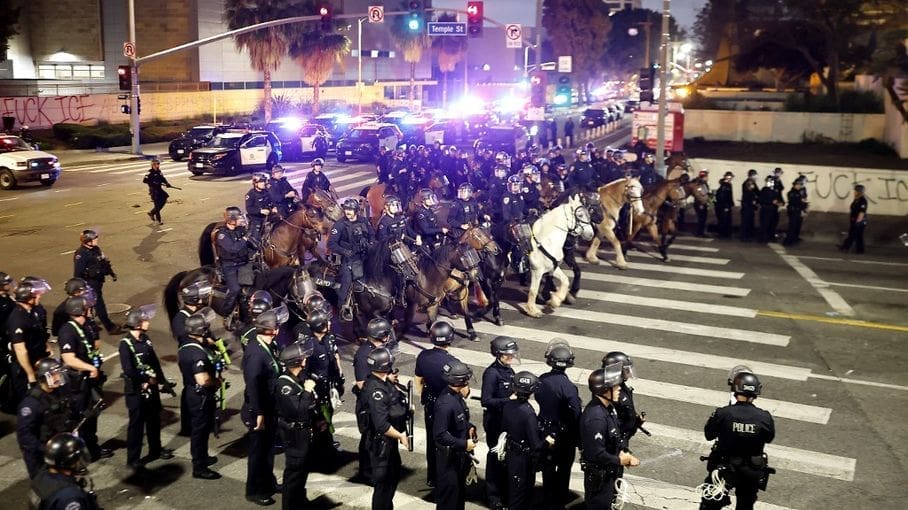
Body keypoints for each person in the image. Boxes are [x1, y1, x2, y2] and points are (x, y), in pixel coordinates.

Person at [699, 373, 775, 510]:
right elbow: (769, 438)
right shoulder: (765, 417)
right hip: (751, 470)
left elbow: (709, 435)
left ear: (735, 389)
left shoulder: (722, 413)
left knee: (710, 504)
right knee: (746, 505)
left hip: (723, 468)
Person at [119, 306, 175, 470]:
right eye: (145, 320)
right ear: (137, 324)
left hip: (151, 387)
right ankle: (133, 458)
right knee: (136, 425)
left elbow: (154, 361)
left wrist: (161, 380)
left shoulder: (145, 339)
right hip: (136, 391)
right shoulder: (126, 344)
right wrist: (146, 379)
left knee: (153, 420)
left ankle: (156, 449)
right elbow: (128, 370)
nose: (148, 322)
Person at [58, 295, 112, 462]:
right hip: (77, 382)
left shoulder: (84, 326)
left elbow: (92, 347)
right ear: (80, 311)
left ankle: (92, 447)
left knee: (92, 414)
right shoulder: (67, 331)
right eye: (87, 308)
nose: (90, 310)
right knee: (79, 418)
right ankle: (79, 452)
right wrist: (89, 367)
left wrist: (95, 360)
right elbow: (68, 359)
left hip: (89, 379)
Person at [579, 365, 640, 509]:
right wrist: (619, 460)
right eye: (615, 386)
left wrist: (624, 453)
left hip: (608, 474)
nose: (619, 389)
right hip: (599, 478)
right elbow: (596, 453)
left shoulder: (609, 408)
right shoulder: (596, 418)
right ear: (604, 390)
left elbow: (614, 437)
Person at [243, 309, 285, 505]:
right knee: (258, 452)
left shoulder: (267, 346)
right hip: (259, 409)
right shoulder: (255, 353)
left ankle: (268, 482)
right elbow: (252, 385)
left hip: (269, 406)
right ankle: (254, 490)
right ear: (272, 330)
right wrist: (258, 412)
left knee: (267, 450)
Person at [362, 347, 410, 510]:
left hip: (387, 443)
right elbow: (381, 425)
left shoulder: (381, 382)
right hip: (381, 445)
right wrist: (401, 436)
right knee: (383, 486)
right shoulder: (377, 391)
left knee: (392, 478)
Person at [536, 341, 582, 510]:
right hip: (564, 435)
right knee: (563, 469)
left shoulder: (542, 379)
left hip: (544, 429)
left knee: (547, 468)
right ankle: (559, 502)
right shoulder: (569, 387)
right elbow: (576, 413)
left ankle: (547, 499)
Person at [177, 309, 221, 480]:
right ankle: (199, 467)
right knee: (200, 431)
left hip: (193, 392)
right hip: (200, 395)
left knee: (202, 430)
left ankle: (202, 457)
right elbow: (203, 379)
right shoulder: (197, 353)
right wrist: (216, 382)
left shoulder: (186, 344)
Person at [415, 321, 460, 488]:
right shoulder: (454, 362)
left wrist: (426, 397)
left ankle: (432, 477)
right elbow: (464, 392)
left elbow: (418, 381)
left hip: (430, 404)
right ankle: (445, 478)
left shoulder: (423, 356)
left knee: (431, 441)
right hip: (447, 407)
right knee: (448, 442)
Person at [275, 340, 317, 510]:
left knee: (302, 472)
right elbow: (298, 411)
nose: (305, 360)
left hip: (303, 432)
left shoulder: (298, 377)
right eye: (302, 358)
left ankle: (299, 502)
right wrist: (307, 391)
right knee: (294, 473)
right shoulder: (284, 385)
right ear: (297, 362)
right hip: (294, 435)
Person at [17, 358, 76, 478]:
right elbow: (25, 436)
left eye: (59, 374)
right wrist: (45, 449)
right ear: (44, 377)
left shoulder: (59, 392)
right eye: (54, 375)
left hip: (58, 448)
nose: (58, 377)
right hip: (41, 455)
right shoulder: (31, 404)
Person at [353, 318, 394, 483]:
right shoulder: (364, 354)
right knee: (370, 439)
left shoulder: (378, 350)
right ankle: (368, 472)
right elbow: (362, 384)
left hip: (378, 401)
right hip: (368, 405)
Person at [433, 359, 476, 510]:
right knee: (449, 500)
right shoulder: (446, 404)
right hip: (449, 459)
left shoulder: (456, 396)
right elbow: (440, 435)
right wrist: (465, 444)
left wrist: (469, 427)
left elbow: (460, 420)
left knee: (458, 497)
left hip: (458, 457)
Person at [481, 336, 519, 510]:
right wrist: (508, 400)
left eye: (512, 354)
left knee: (507, 458)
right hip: (495, 421)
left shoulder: (508, 370)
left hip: (507, 420)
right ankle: (493, 497)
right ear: (497, 354)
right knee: (496, 458)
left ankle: (505, 492)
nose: (510, 357)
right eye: (506, 354)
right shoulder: (491, 373)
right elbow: (486, 400)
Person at [303, 309, 345, 458]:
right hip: (316, 390)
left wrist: (340, 377)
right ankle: (317, 450)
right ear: (320, 326)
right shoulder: (308, 345)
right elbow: (303, 370)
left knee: (328, 416)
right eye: (326, 322)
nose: (329, 323)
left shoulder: (330, 338)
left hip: (329, 386)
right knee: (318, 421)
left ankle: (327, 444)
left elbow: (334, 356)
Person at [501, 371, 545, 510]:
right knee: (521, 494)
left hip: (512, 453)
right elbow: (536, 444)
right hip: (523, 459)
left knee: (514, 491)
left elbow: (504, 427)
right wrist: (547, 441)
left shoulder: (508, 405)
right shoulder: (528, 413)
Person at [328, 198, 374, 321]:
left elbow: (371, 234)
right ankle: (343, 307)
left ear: (356, 211)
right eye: (346, 209)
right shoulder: (339, 225)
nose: (348, 212)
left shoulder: (364, 221)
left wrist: (371, 243)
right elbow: (331, 244)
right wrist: (344, 251)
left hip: (364, 256)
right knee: (346, 282)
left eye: (350, 209)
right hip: (349, 259)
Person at [7, 278, 52, 402]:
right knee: (31, 400)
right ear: (28, 298)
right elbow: (21, 350)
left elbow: (39, 332)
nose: (40, 297)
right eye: (37, 296)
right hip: (25, 367)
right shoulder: (18, 318)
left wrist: (46, 346)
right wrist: (30, 373)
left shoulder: (31, 312)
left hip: (36, 359)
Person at [31, 433, 100, 510]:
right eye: (78, 458)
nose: (80, 461)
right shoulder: (71, 497)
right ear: (69, 462)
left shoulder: (42, 477)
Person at [73, 230, 118, 334]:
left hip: (98, 281)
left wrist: (111, 272)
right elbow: (78, 273)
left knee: (89, 305)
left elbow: (103, 261)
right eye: (94, 239)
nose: (97, 240)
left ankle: (89, 325)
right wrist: (81, 288)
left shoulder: (96, 249)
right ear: (88, 241)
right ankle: (110, 327)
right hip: (90, 283)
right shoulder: (81, 254)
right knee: (99, 305)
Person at [214, 207, 255, 317]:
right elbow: (233, 248)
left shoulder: (241, 230)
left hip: (244, 263)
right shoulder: (222, 235)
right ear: (232, 220)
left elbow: (248, 245)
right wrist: (245, 239)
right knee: (235, 290)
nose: (241, 219)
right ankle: (226, 312)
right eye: (238, 218)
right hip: (230, 266)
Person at [602, 351, 645, 447]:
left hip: (623, 437)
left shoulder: (621, 387)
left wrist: (635, 420)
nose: (629, 373)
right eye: (625, 370)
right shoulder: (610, 394)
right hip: (615, 442)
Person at [246, 173, 277, 245]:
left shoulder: (266, 191)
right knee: (255, 239)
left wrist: (274, 207)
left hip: (269, 216)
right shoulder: (250, 194)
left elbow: (271, 202)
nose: (264, 183)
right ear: (255, 183)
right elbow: (249, 209)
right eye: (261, 182)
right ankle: (255, 253)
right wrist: (260, 211)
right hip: (257, 219)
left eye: (264, 181)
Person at [839, 184, 868, 254]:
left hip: (859, 222)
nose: (854, 192)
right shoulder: (856, 200)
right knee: (853, 235)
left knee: (857, 236)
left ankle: (857, 249)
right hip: (854, 220)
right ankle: (846, 247)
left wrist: (857, 222)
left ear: (859, 191)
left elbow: (862, 212)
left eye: (855, 191)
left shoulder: (862, 201)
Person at [143, 158, 173, 224]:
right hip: (153, 190)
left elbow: (163, 178)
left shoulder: (159, 171)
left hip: (159, 189)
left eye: (158, 164)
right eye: (157, 164)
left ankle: (152, 212)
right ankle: (158, 220)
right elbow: (145, 181)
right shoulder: (150, 172)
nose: (158, 165)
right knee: (157, 205)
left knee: (165, 198)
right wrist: (153, 182)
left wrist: (167, 183)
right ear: (153, 165)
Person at [783, 177, 808, 246]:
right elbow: (793, 201)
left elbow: (803, 202)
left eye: (800, 185)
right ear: (794, 185)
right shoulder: (791, 193)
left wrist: (804, 210)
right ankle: (787, 241)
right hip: (793, 211)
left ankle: (793, 239)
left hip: (799, 211)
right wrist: (800, 200)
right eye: (797, 185)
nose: (799, 186)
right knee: (792, 226)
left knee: (797, 226)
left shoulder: (800, 192)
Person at [757, 177, 782, 243]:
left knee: (773, 224)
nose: (770, 183)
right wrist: (771, 201)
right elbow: (761, 200)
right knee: (765, 225)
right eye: (769, 181)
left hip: (774, 210)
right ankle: (762, 238)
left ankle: (770, 237)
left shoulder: (775, 190)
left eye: (771, 181)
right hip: (766, 210)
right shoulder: (764, 190)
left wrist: (780, 203)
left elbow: (779, 198)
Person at [740, 170, 759, 242]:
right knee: (746, 221)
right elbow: (750, 193)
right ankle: (744, 236)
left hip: (750, 205)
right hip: (747, 205)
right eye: (755, 175)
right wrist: (754, 200)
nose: (756, 177)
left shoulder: (752, 183)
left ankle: (748, 235)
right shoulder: (748, 183)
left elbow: (757, 192)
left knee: (750, 220)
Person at [715, 172, 735, 239]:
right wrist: (726, 206)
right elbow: (723, 196)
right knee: (724, 220)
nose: (730, 178)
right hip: (724, 206)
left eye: (731, 177)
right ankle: (722, 234)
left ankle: (725, 233)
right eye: (729, 177)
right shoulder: (725, 185)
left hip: (725, 205)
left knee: (725, 219)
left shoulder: (727, 184)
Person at [694, 170, 712, 237]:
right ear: (703, 177)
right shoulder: (699, 184)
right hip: (700, 203)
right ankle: (699, 233)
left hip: (704, 203)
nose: (707, 178)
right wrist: (700, 203)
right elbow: (698, 195)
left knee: (703, 218)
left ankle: (701, 232)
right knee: (701, 218)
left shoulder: (704, 184)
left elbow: (705, 193)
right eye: (706, 177)